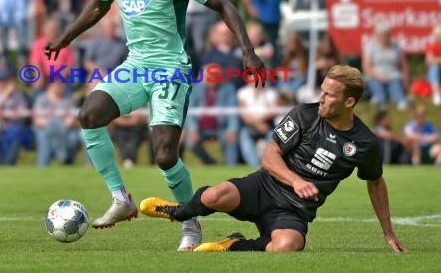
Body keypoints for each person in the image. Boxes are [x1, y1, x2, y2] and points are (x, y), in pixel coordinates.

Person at [43, 0, 266, 252]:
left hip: (171, 70)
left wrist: (248, 52)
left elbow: (222, 4)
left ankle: (190, 222)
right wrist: (66, 38)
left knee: (164, 155)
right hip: (136, 66)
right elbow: (99, 5)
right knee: (89, 115)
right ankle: (121, 199)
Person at [140, 65, 406, 253]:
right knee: (213, 196)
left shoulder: (364, 142)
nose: (320, 99)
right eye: (321, 91)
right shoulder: (305, 114)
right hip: (264, 187)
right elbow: (270, 157)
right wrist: (296, 180)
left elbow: (375, 182)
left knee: (287, 247)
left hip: (293, 210)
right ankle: (178, 213)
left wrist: (388, 232)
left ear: (349, 102)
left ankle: (233, 244)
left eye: (329, 95)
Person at [362, 23, 409, 111]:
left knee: (396, 81)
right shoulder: (370, 47)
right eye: (382, 34)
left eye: (386, 34)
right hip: (375, 74)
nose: (384, 36)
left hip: (393, 74)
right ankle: (381, 101)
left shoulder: (396, 46)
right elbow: (367, 67)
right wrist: (379, 76)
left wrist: (405, 77)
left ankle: (400, 101)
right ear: (377, 35)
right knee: (377, 85)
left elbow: (403, 64)